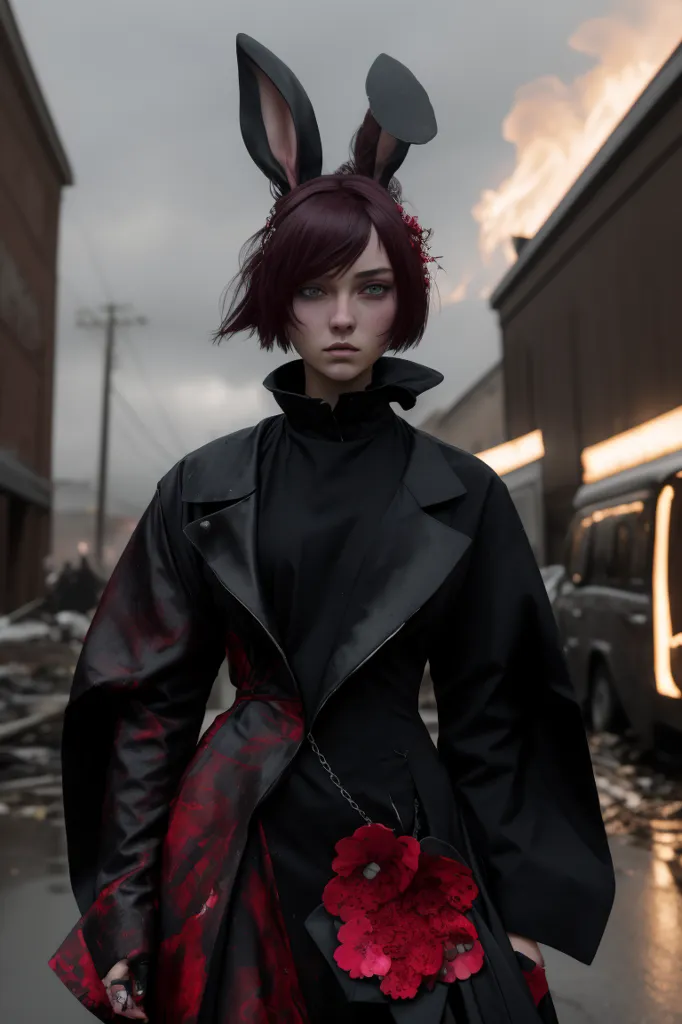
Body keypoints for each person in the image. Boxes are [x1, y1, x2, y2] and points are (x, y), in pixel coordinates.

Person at [49, 34, 614, 1024]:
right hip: (232, 846)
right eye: (313, 289)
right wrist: (123, 908)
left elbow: (505, 709)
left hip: (405, 842)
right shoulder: (201, 490)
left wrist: (521, 905)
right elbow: (144, 711)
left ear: (404, 299)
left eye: (370, 287)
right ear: (280, 301)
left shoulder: (463, 494)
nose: (342, 318)